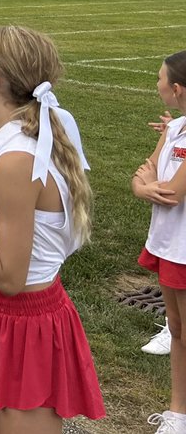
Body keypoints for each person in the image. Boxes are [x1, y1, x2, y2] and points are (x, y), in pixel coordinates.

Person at [0, 26, 103, 431]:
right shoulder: (5, 142)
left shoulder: (17, 157)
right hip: (1, 313)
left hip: (27, 320)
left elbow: (11, 278)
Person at [134, 51, 186, 432]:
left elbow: (172, 193)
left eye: (159, 78)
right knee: (177, 330)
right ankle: (177, 413)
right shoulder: (174, 129)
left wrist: (151, 186)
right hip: (169, 244)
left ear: (177, 89)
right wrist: (145, 186)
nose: (157, 84)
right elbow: (145, 172)